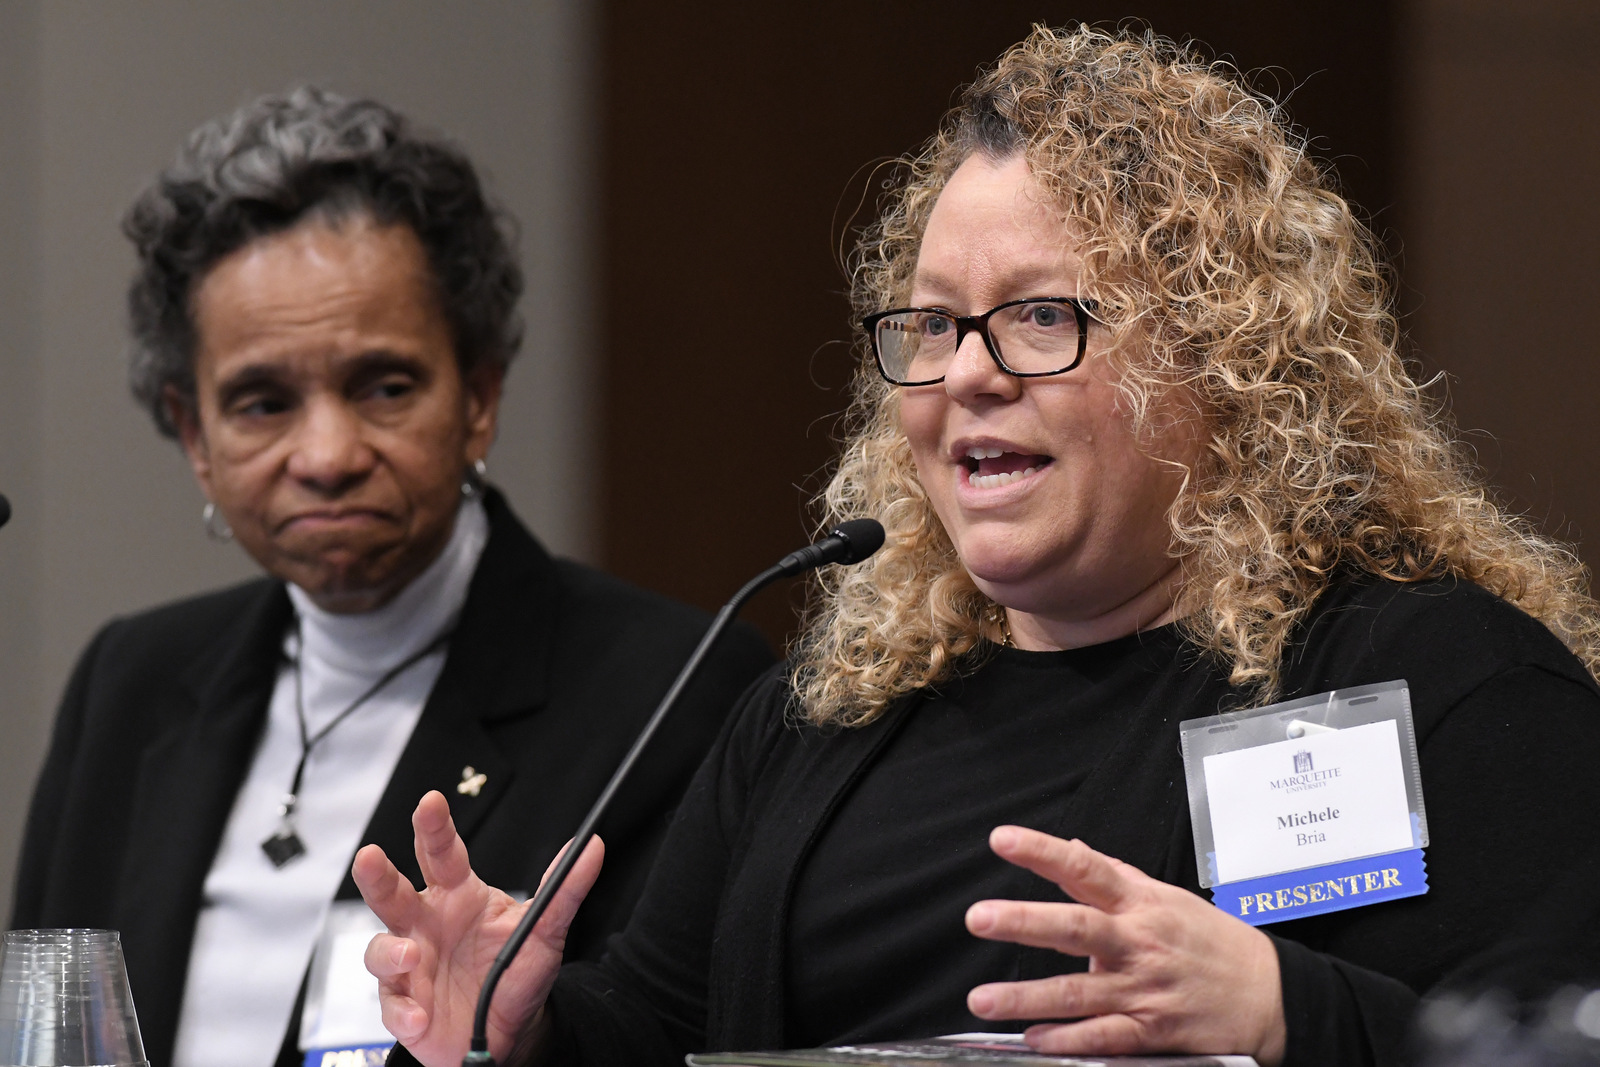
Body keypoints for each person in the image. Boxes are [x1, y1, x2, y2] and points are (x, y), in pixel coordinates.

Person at [352, 26, 1600, 1067]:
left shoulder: (1442, 682)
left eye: (1040, 317)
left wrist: (1287, 1010)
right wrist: (524, 1030)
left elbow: (1550, 1039)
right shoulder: (822, 720)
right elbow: (659, 1029)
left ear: (1225, 357)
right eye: (936, 324)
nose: (965, 374)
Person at [10, 88, 773, 1067]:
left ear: (479, 394)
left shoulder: (675, 691)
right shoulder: (130, 681)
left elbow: (674, 1038)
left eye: (384, 386)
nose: (327, 455)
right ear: (195, 435)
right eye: (261, 402)